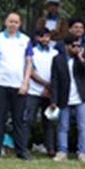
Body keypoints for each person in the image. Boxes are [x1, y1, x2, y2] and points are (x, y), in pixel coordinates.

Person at [0, 12, 33, 160]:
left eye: (16, 22)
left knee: (19, 120)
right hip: (1, 84)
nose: (13, 24)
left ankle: (21, 151)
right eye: (11, 21)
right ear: (5, 22)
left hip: (19, 86)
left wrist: (25, 83)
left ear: (20, 24)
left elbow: (29, 63)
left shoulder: (25, 40)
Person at [50, 34, 85, 163]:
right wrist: (53, 100)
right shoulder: (58, 59)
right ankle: (62, 151)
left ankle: (82, 152)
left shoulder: (82, 57)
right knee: (63, 126)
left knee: (82, 126)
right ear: (67, 46)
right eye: (73, 46)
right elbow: (54, 80)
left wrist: (80, 58)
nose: (76, 48)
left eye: (78, 45)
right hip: (64, 97)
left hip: (79, 97)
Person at [24, 27, 58, 157]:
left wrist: (50, 88)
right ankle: (23, 147)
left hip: (49, 93)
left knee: (48, 121)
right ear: (37, 38)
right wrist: (45, 84)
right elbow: (30, 72)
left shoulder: (55, 53)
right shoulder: (32, 52)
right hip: (33, 91)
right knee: (29, 120)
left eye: (47, 37)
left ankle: (51, 149)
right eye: (42, 37)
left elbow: (57, 73)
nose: (45, 39)